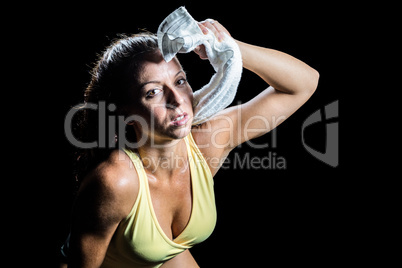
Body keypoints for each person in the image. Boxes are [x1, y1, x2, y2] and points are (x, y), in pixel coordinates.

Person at [60, 18, 319, 268]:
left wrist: (226, 46)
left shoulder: (206, 142)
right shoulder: (116, 181)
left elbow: (304, 83)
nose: (177, 99)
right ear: (125, 113)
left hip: (161, 260)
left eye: (180, 81)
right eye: (153, 92)